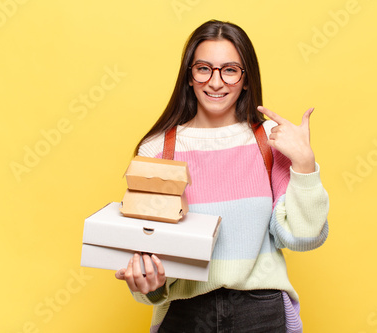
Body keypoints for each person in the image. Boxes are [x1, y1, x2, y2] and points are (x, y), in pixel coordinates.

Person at [115, 19, 329, 333]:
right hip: (185, 315)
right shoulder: (157, 149)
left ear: (245, 79)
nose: (216, 82)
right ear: (189, 76)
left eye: (229, 70)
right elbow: (150, 254)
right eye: (204, 68)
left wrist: (305, 165)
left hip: (261, 314)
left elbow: (303, 237)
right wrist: (148, 282)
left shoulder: (271, 140)